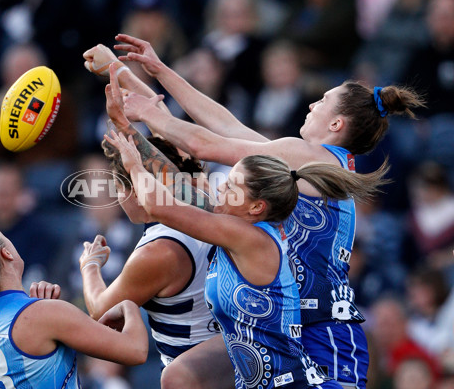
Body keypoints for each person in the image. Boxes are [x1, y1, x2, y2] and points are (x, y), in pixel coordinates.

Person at [108, 35, 424, 388]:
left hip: (321, 336)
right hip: (291, 329)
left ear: (336, 124)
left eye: (322, 100)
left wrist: (142, 111)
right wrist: (159, 71)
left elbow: (204, 144)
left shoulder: (308, 157)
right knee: (181, 375)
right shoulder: (306, 162)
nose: (311, 104)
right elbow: (227, 126)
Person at [79, 135, 226, 371]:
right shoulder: (206, 201)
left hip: (193, 372)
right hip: (229, 360)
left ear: (136, 193)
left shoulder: (158, 252)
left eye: (118, 189)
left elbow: (101, 312)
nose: (118, 199)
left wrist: (89, 266)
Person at [0, 221, 148, 388]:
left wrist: (46, 310)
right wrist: (129, 303)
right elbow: (136, 351)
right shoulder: (44, 316)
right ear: (6, 253)